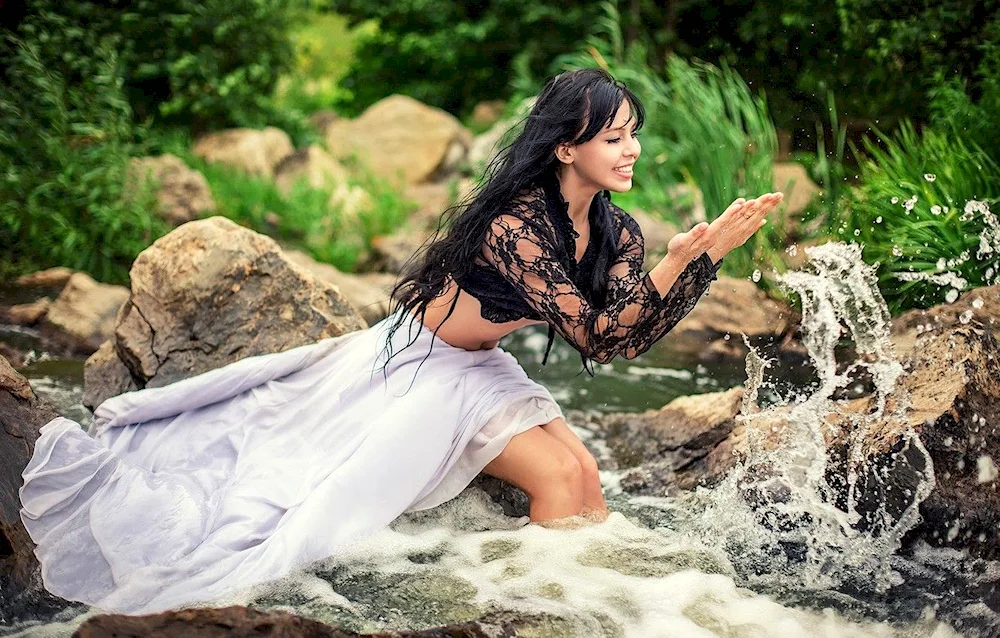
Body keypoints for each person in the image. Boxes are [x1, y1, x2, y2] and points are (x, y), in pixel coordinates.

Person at [18, 68, 781, 615]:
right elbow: (592, 331)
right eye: (615, 137)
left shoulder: (614, 228)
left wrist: (692, 260)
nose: (632, 150)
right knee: (556, 481)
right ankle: (554, 611)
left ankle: (602, 602)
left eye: (633, 135)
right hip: (420, 369)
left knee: (587, 475)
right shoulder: (519, 222)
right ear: (564, 147)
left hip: (481, 364)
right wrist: (685, 260)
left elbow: (622, 346)